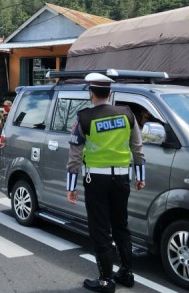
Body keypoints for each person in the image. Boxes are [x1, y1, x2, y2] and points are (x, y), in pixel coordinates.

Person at [66, 73, 146, 293]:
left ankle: (105, 281)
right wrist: (141, 176)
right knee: (121, 225)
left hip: (96, 181)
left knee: (100, 229)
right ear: (110, 93)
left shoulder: (83, 118)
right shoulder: (127, 114)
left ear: (91, 93)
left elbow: (74, 155)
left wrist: (71, 187)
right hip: (122, 179)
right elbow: (138, 148)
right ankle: (127, 274)